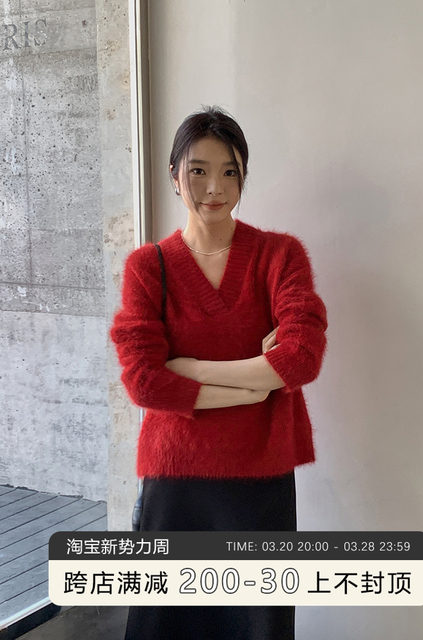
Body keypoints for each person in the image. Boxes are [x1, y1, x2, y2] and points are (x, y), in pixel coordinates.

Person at [110, 105, 328, 640]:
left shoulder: (279, 256)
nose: (215, 187)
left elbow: (301, 358)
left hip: (260, 477)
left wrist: (189, 369)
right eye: (199, 170)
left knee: (258, 622)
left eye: (230, 171)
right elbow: (144, 382)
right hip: (175, 479)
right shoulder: (149, 267)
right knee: (167, 624)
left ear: (244, 176)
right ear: (174, 175)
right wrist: (256, 382)